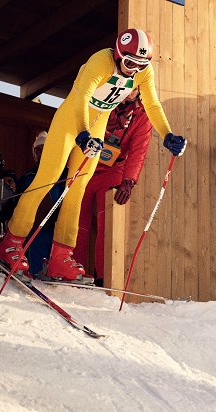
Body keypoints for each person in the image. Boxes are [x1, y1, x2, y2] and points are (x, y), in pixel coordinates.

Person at [0, 29, 186, 283]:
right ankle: (11, 243)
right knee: (47, 180)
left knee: (78, 189)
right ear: (118, 56)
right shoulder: (101, 61)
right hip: (71, 121)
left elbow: (151, 105)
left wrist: (168, 134)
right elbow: (82, 98)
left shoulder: (142, 72)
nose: (134, 71)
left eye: (142, 65)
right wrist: (83, 134)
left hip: (96, 124)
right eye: (130, 64)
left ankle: (60, 257)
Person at [73, 88, 151, 285]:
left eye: (134, 89)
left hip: (113, 169)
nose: (128, 93)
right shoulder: (101, 97)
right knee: (76, 219)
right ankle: (71, 267)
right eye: (127, 87)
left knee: (107, 221)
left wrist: (129, 181)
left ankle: (103, 277)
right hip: (86, 163)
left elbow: (138, 152)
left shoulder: (143, 115)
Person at [15, 131, 66, 276]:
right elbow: (17, 201)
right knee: (35, 263)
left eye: (45, 149)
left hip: (55, 227)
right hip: (34, 228)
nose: (41, 153)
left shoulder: (63, 173)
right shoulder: (27, 176)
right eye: (38, 150)